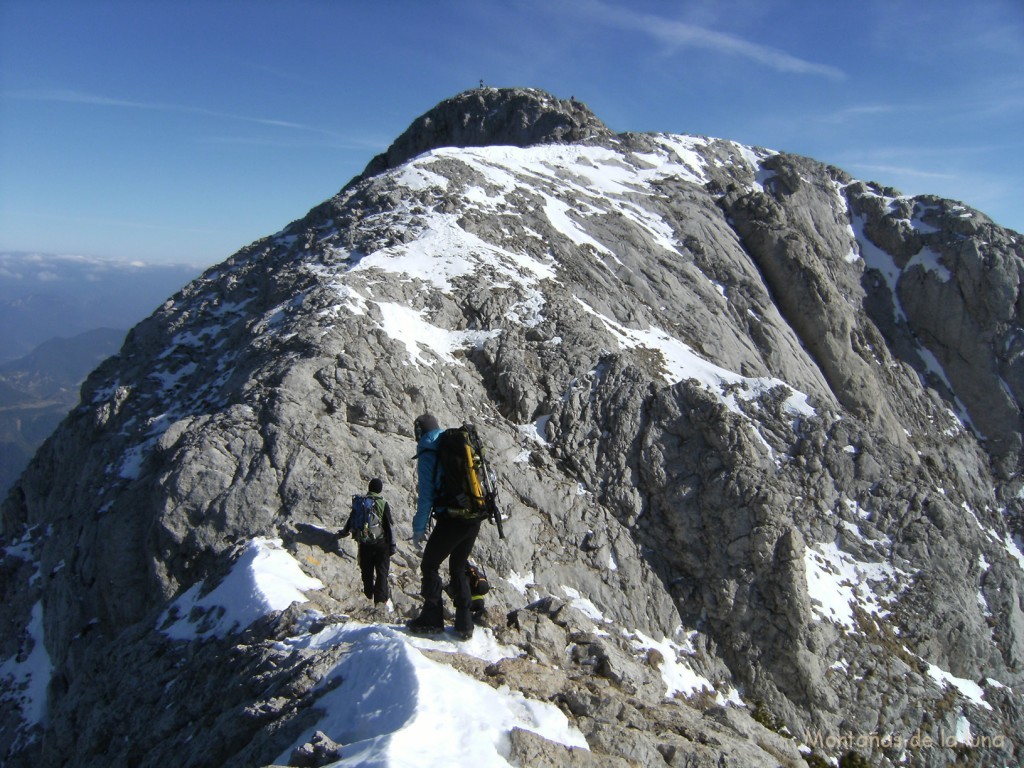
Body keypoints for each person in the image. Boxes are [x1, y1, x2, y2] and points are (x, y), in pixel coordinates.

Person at [407, 413, 483, 639]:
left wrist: (418, 529)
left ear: (419, 432)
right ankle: (464, 623)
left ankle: (432, 619)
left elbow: (426, 498)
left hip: (453, 518)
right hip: (475, 515)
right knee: (457, 565)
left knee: (429, 565)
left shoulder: (429, 451)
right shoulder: (456, 443)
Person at [338, 478, 396, 611]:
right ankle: (380, 601)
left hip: (364, 543)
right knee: (382, 572)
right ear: (380, 489)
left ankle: (367, 594)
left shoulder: (361, 502)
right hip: (381, 544)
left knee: (367, 570)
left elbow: (352, 519)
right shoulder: (382, 503)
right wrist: (392, 545)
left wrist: (344, 532)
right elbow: (389, 526)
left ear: (369, 488)